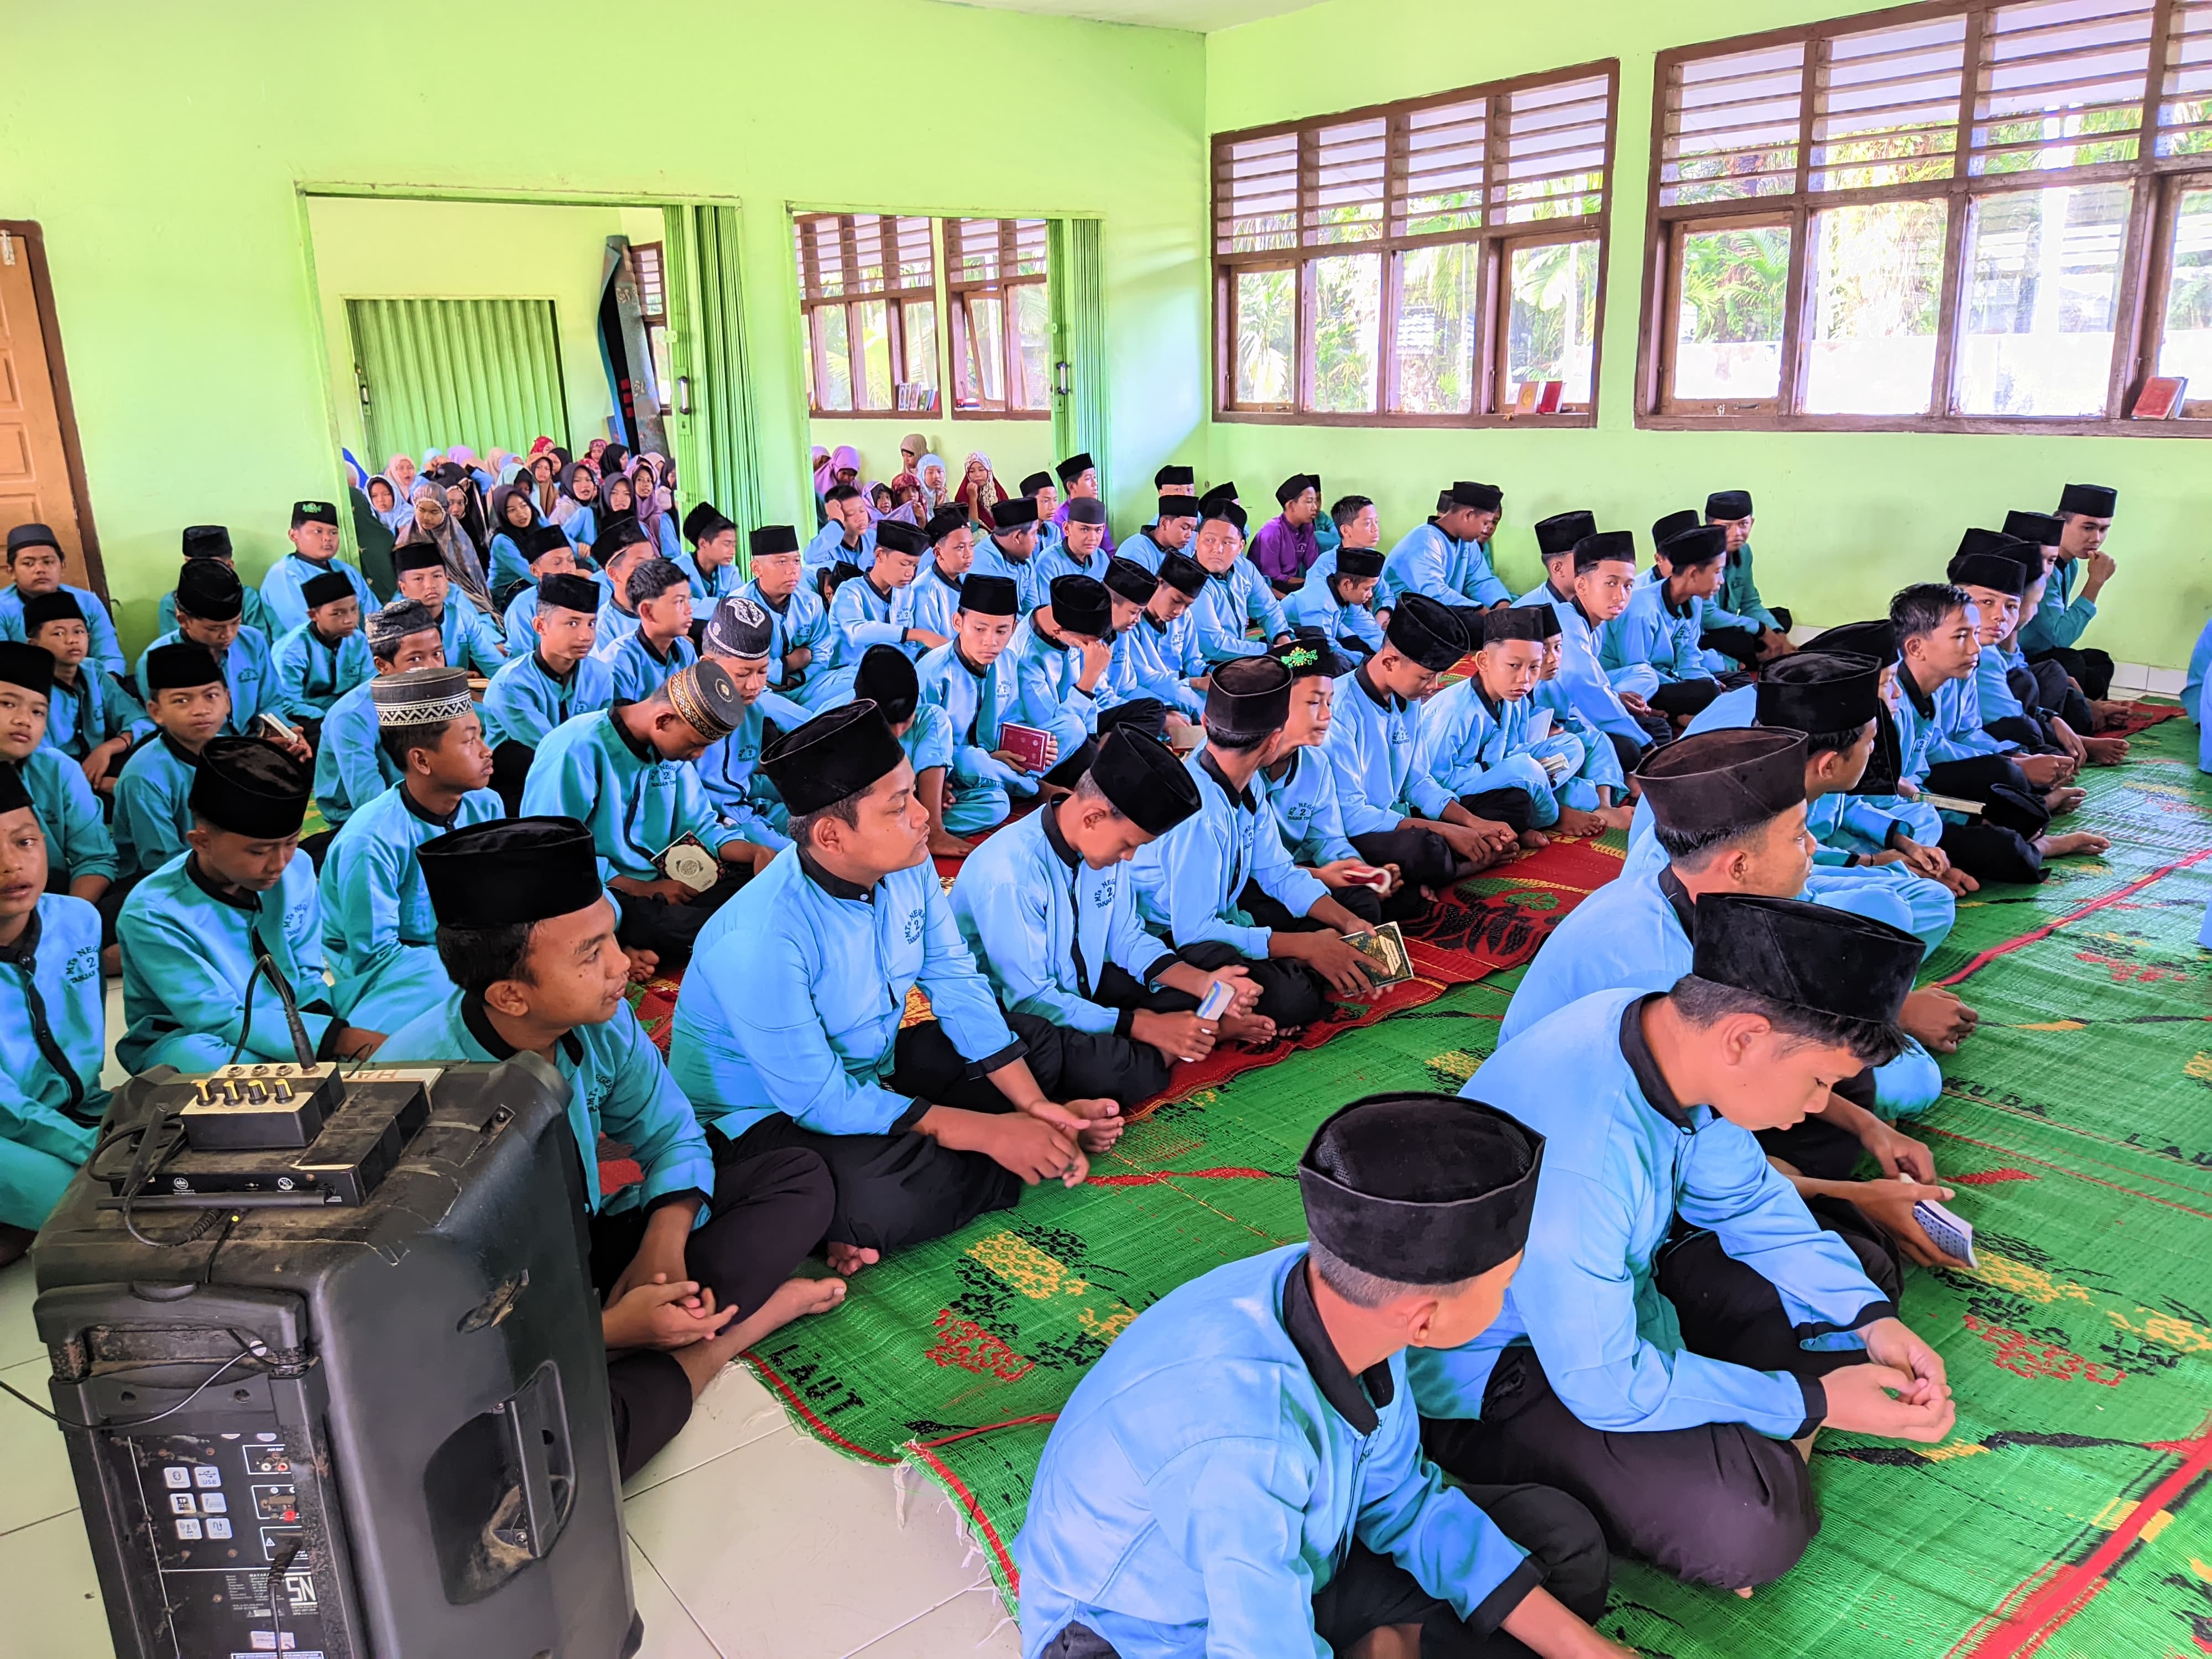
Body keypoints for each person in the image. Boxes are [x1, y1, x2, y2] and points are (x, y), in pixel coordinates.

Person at [1413, 893, 1954, 1594]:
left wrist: (1869, 1320)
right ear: (1743, 1040)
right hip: (1505, 1367)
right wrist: (1810, 1405)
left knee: (1860, 1279)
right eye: (1819, 1080)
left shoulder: (1662, 1032)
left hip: (1626, 1290)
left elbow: (1746, 1197)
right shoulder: (1587, 1161)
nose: (1822, 1104)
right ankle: (1751, 1452)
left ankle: (1747, 1438)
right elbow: (1607, 1387)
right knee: (1747, 1530)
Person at [1020, 1091, 1624, 1659]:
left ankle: (1389, 1641)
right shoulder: (1242, 1440)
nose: (1510, 1294)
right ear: (1424, 1320)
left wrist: (1590, 1653)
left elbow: (1400, 1499)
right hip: (1147, 1632)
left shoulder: (1345, 1293)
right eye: (1502, 1284)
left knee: (1564, 1546)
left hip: (1303, 1557)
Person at [379, 816, 844, 1480]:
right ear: (510, 994)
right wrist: (605, 1331)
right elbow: (418, 1313)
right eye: (591, 953)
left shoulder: (603, 1021)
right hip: (489, 1306)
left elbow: (671, 1133)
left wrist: (664, 1240)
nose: (624, 965)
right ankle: (721, 1337)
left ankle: (645, 1334)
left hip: (584, 1245)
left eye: (613, 938)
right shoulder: (411, 1092)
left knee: (798, 1178)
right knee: (546, 1462)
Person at [670, 700, 1123, 1258]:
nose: (923, 817)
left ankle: (1028, 1134)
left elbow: (955, 982)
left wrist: (1034, 1108)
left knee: (1032, 1045)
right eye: (899, 807)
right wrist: (991, 1132)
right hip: (765, 1119)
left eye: (913, 794)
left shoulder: (907, 866)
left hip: (873, 1066)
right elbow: (820, 1099)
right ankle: (1008, 1152)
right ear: (833, 837)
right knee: (889, 1194)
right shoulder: (761, 934)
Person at [954, 725, 1263, 1107]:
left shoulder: (1101, 849)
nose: (1130, 858)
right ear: (1093, 817)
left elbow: (1126, 938)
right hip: (1025, 1018)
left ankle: (1185, 1034)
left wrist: (1204, 984)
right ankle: (1191, 1039)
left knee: (1189, 997)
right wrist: (1144, 1026)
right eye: (1129, 845)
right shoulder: (1010, 875)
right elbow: (1032, 1000)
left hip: (1084, 986)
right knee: (1118, 1070)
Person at [1131, 656, 1383, 1031]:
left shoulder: (1250, 782)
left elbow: (1277, 871)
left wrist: (1346, 921)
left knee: (1356, 906)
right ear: (1275, 740)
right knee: (1292, 998)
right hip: (1170, 939)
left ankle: (1311, 960)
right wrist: (1304, 946)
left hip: (1225, 914)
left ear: (1206, 723)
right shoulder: (1197, 813)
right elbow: (1195, 932)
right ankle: (1296, 972)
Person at [117, 739, 382, 1072]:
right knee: (202, 1060)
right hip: (201, 1036)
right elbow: (216, 1017)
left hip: (296, 1014)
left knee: (420, 973)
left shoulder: (296, 867)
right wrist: (337, 1041)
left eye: (290, 842)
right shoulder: (153, 912)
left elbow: (308, 971)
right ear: (202, 842)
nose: (278, 864)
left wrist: (321, 1026)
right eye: (259, 852)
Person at [520, 660, 769, 966]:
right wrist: (645, 888)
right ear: (664, 721)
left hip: (674, 879)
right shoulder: (576, 748)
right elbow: (548, 855)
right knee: (676, 927)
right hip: (608, 889)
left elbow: (701, 825)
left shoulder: (672, 755)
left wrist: (754, 852)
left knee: (758, 879)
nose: (699, 756)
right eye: (696, 745)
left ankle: (713, 931)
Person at [319, 665, 502, 1036]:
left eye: (481, 736)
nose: (486, 751)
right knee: (464, 1002)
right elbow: (375, 954)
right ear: (421, 760)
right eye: (470, 741)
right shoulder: (371, 840)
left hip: (463, 947)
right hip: (395, 971)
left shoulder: (487, 804)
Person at [1890, 582, 2107, 883]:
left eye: (1974, 635)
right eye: (1961, 637)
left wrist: (1969, 814)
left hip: (1919, 804)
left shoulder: (1933, 691)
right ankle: (2039, 847)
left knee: (2005, 811)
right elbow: (1890, 801)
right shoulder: (1891, 706)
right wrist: (1905, 847)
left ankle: (2020, 822)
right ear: (1916, 647)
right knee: (2002, 843)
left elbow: (1921, 784)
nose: (1975, 647)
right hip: (1895, 822)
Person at [1326, 593, 1521, 878]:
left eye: (1440, 676)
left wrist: (1473, 823)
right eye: (1426, 677)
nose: (1435, 687)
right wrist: (1447, 830)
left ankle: (1459, 856)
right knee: (1423, 848)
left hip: (1401, 816)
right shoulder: (1340, 709)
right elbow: (1352, 815)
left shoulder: (1409, 699)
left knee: (1513, 802)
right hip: (1357, 829)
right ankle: (1463, 865)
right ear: (1391, 661)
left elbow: (1417, 781)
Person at [0, 764, 106, 1269]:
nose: (11, 865)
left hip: (78, 1108)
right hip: (6, 1125)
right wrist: (90, 1147)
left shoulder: (78, 919)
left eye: (25, 842)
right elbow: (6, 1107)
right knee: (89, 1207)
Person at [1416, 605, 1614, 838]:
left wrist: (1525, 766)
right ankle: (1555, 817)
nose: (1524, 678)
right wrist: (1498, 768)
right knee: (1525, 777)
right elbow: (1434, 781)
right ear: (1483, 661)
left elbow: (1514, 747)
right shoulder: (1455, 711)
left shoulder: (1513, 695)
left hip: (1504, 770)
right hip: (1456, 792)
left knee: (1572, 745)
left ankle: (1557, 794)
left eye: (1534, 668)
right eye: (1514, 666)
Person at [1256, 630, 1398, 927]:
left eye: (1330, 703)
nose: (1326, 715)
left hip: (1297, 873)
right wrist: (1321, 876)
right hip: (1247, 883)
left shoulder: (1316, 763)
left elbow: (1327, 839)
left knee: (1364, 900)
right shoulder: (1242, 766)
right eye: (1313, 703)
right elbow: (1252, 868)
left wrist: (1357, 871)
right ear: (1278, 705)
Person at [915, 572, 1044, 834]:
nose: (991, 641)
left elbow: (1010, 718)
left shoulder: (1007, 661)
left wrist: (1025, 748)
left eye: (1002, 631)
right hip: (939, 769)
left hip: (987, 764)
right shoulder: (934, 672)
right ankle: (1036, 789)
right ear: (958, 622)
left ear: (1014, 627)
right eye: (980, 629)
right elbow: (915, 741)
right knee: (974, 759)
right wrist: (930, 784)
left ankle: (918, 825)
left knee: (998, 806)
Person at [0, 644, 118, 921]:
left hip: (56, 900)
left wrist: (61, 924)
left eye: (38, 712)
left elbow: (95, 859)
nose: (24, 720)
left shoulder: (59, 768)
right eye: (7, 704)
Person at [311, 599, 445, 837]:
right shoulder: (352, 717)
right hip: (364, 826)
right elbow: (370, 804)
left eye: (437, 654)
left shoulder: (437, 692)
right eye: (415, 659)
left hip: (431, 807)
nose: (431, 668)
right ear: (382, 666)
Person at [1525, 525, 1656, 769]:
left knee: (1649, 703)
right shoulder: (1566, 622)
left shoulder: (1591, 621)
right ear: (1582, 586)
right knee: (1631, 748)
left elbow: (1592, 683)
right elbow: (1585, 685)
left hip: (1571, 711)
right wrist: (1647, 746)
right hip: (1539, 724)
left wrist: (1614, 697)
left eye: (1628, 586)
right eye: (1611, 584)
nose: (1621, 596)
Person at [692, 594, 810, 855]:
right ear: (708, 667)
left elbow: (741, 776)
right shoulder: (687, 722)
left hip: (748, 805)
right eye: (742, 674)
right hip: (716, 826)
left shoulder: (753, 711)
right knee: (801, 857)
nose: (755, 685)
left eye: (762, 671)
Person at [112, 644, 232, 887]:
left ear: (227, 701)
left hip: (228, 866)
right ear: (156, 712)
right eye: (182, 700)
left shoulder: (232, 753)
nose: (201, 710)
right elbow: (163, 862)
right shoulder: (144, 778)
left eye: (211, 696)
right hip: (160, 881)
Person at [137, 561, 288, 743]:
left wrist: (285, 733)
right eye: (214, 628)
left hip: (257, 741)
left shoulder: (252, 641)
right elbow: (174, 732)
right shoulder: (157, 660)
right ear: (184, 621)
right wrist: (248, 749)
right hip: (201, 754)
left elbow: (271, 702)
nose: (229, 635)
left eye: (236, 623)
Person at [1601, 521, 1733, 721]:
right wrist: (1695, 687)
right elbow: (1639, 672)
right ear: (1694, 574)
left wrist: (1706, 681)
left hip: (1666, 677)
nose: (1722, 580)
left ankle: (1686, 712)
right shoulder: (1641, 611)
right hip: (1628, 685)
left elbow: (1689, 657)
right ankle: (1675, 716)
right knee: (1706, 692)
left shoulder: (1694, 602)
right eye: (1717, 572)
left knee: (1718, 685)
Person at [852, 645, 967, 860]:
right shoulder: (837, 726)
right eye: (887, 723)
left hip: (910, 810)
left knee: (995, 804)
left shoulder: (924, 716)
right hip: (868, 813)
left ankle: (933, 827)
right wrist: (913, 796)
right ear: (857, 705)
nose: (896, 733)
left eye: (905, 722)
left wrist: (931, 788)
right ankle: (916, 826)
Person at [25, 591, 144, 792]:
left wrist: (108, 749)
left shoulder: (93, 671)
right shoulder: (28, 688)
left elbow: (139, 719)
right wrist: (96, 783)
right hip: (55, 782)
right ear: (33, 645)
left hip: (99, 763)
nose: (72, 640)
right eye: (58, 633)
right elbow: (37, 760)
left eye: (79, 632)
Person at [2020, 482, 2119, 701]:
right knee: (2067, 661)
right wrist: (2096, 582)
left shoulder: (2071, 565)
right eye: (2088, 527)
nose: (2096, 539)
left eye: (2104, 530)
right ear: (2060, 524)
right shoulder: (2040, 567)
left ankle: (2092, 709)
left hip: (2044, 654)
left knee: (2099, 661)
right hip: (2019, 659)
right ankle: (2085, 712)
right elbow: (2061, 636)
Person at [1011, 575, 1114, 763]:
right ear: (1059, 630)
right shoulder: (1025, 660)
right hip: (1045, 743)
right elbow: (1057, 726)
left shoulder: (1065, 626)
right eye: (1086, 643)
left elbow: (1087, 719)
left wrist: (1093, 737)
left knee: (1148, 711)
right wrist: (1089, 678)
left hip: (1076, 723)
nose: (1093, 647)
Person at [0, 524, 124, 676]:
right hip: (25, 690)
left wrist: (105, 692)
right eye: (28, 563)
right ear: (11, 571)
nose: (40, 569)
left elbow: (110, 657)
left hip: (88, 687)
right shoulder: (3, 607)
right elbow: (4, 664)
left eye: (48, 562)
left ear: (63, 566)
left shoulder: (87, 602)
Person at [825, 519, 937, 681]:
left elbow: (909, 646)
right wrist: (914, 634)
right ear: (879, 556)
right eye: (905, 564)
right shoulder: (850, 591)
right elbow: (856, 632)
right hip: (849, 675)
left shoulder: (906, 593)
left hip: (893, 671)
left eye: (914, 566)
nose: (911, 574)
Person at [740, 524, 837, 710]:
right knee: (751, 697)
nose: (793, 570)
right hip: (764, 689)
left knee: (852, 677)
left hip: (804, 684)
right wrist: (789, 664)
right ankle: (812, 725)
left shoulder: (811, 602)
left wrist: (798, 677)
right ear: (757, 568)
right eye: (782, 562)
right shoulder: (739, 607)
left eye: (797, 561)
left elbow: (823, 652)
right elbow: (745, 667)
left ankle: (800, 720)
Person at [1093, 556, 1202, 721]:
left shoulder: (1121, 631)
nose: (1180, 611)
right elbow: (1099, 698)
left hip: (1123, 704)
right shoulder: (1090, 639)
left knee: (1180, 718)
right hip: (1097, 715)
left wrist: (1163, 709)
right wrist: (1153, 716)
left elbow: (1127, 687)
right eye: (1133, 612)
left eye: (1187, 605)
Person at [1188, 499, 1292, 665]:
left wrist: (1283, 639)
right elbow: (1214, 646)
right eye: (1209, 540)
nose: (1217, 549)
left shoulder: (1244, 568)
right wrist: (1272, 652)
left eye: (1227, 542)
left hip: (1244, 655)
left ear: (1240, 546)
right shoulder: (1189, 578)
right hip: (1207, 666)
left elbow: (1269, 610)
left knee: (1314, 652)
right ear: (1197, 540)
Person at [269, 570, 372, 738]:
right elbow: (288, 703)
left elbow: (367, 687)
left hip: (350, 713)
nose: (350, 619)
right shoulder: (292, 650)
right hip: (310, 718)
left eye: (354, 610)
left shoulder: (359, 641)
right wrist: (332, 718)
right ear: (313, 615)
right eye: (337, 613)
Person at [1384, 481, 1511, 615]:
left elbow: (1481, 581)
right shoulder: (1425, 540)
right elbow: (1434, 593)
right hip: (1399, 617)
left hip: (1437, 615)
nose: (1486, 529)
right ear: (1468, 515)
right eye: (1485, 523)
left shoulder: (1468, 543)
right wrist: (1482, 612)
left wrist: (1502, 607)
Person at [262, 499, 380, 634]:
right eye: (318, 531)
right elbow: (307, 630)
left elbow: (375, 617)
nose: (327, 538)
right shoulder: (283, 575)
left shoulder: (347, 571)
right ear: (294, 535)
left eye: (333, 532)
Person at [1702, 488, 1792, 663]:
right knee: (1742, 641)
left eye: (1743, 524)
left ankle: (1771, 653)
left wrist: (1778, 634)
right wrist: (1761, 630)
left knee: (1781, 619)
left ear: (1752, 522)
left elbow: (1750, 602)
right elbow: (1707, 616)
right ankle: (1756, 660)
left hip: (1728, 624)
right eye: (1726, 527)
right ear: (1710, 528)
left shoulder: (1745, 552)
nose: (1736, 534)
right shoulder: (1701, 556)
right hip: (1703, 630)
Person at [393, 541, 505, 679]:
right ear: (404, 588)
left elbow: (494, 666)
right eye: (419, 579)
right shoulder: (393, 626)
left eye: (437, 576)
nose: (430, 585)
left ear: (447, 582)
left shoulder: (461, 617)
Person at [160, 525, 279, 641]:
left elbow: (258, 643)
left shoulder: (247, 598)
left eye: (209, 567)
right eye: (191, 565)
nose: (198, 573)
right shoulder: (173, 602)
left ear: (229, 567)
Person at [605, 557, 698, 702]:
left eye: (689, 600)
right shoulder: (620, 660)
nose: (689, 610)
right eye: (680, 601)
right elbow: (621, 721)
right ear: (647, 611)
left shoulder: (685, 649)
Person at [1285, 538, 1386, 661]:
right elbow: (1325, 646)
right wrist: (1364, 661)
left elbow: (1369, 630)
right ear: (1347, 584)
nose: (1371, 595)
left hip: (1321, 638)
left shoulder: (1344, 596)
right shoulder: (1320, 603)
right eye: (1367, 589)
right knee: (1337, 663)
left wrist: (1389, 650)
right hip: (1290, 644)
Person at [585, 519, 656, 665]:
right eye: (641, 564)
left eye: (653, 561)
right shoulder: (604, 629)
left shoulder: (663, 604)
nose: (652, 570)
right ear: (613, 574)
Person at [1250, 472, 1325, 596]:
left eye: (1315, 501)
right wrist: (1310, 583)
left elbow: (1314, 566)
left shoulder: (1308, 527)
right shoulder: (1272, 532)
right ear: (1291, 505)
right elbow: (1272, 578)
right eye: (1309, 502)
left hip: (1292, 585)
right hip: (1267, 591)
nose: (1315, 507)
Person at [969, 494, 1046, 614]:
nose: (1037, 540)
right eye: (1034, 533)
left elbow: (1032, 612)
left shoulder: (1024, 561)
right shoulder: (982, 567)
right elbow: (998, 621)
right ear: (1018, 537)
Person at [909, 505, 973, 643]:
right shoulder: (924, 591)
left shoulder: (966, 579)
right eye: (960, 548)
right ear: (938, 553)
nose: (969, 554)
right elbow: (927, 646)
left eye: (971, 546)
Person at [805, 484, 877, 595]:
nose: (860, 518)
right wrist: (836, 523)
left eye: (862, 511)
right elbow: (810, 557)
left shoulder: (873, 538)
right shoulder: (828, 546)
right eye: (851, 514)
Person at [677, 501, 743, 606]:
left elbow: (740, 606)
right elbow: (683, 606)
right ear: (703, 544)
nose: (733, 552)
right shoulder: (676, 570)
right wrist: (725, 605)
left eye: (734, 545)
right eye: (726, 544)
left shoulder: (731, 572)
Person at [1036, 495, 1110, 588]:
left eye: (1098, 530)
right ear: (1067, 529)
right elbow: (1047, 602)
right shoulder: (1049, 562)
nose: (1092, 538)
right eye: (1084, 529)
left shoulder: (1101, 557)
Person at [1117, 492, 1198, 575]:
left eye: (1192, 530)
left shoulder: (1184, 550)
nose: (1189, 535)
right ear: (1164, 524)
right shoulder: (1136, 549)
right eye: (1184, 528)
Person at [1051, 452, 1115, 555]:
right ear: (1072, 487)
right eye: (1089, 479)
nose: (1095, 483)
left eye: (1094, 477)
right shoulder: (1060, 516)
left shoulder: (1097, 509)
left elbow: (1109, 549)